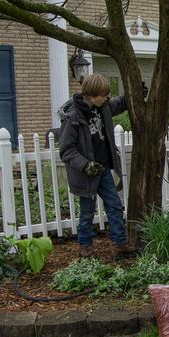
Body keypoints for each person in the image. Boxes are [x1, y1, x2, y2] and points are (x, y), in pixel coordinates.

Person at [59, 74, 135, 258]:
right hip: (86, 173)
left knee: (115, 205)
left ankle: (119, 244)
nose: (107, 98)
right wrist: (85, 165)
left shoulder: (104, 107)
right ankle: (84, 247)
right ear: (92, 95)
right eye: (103, 95)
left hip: (103, 168)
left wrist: (137, 92)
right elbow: (66, 150)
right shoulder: (73, 117)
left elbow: (121, 103)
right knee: (87, 211)